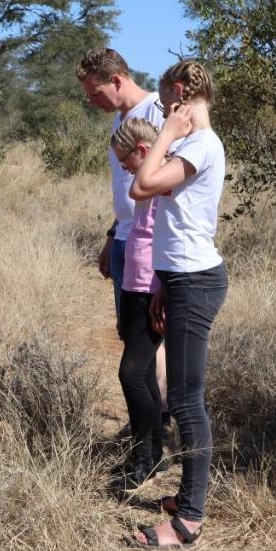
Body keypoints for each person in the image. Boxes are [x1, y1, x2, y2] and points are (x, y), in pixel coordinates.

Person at [127, 59, 227, 550]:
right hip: (181, 278)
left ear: (183, 92)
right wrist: (162, 284)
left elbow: (140, 186)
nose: (165, 107)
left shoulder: (201, 144)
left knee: (187, 401)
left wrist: (166, 131)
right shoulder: (193, 146)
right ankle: (189, 495)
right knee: (186, 398)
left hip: (197, 281)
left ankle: (189, 520)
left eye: (168, 98)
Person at [76, 48, 171, 447]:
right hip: (125, 239)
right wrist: (112, 236)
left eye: (95, 92)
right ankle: (145, 423)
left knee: (150, 339)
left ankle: (157, 426)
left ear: (116, 80)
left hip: (150, 244)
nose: (92, 101)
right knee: (131, 337)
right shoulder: (120, 119)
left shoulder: (157, 114)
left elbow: (164, 186)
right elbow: (126, 192)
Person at [110, 117, 167, 491]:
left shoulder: (161, 183)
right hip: (133, 283)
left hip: (151, 289)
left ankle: (143, 456)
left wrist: (161, 292)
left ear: (143, 152)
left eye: (126, 160)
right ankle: (153, 453)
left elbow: (168, 238)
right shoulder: (143, 183)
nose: (125, 167)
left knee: (130, 373)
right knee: (142, 372)